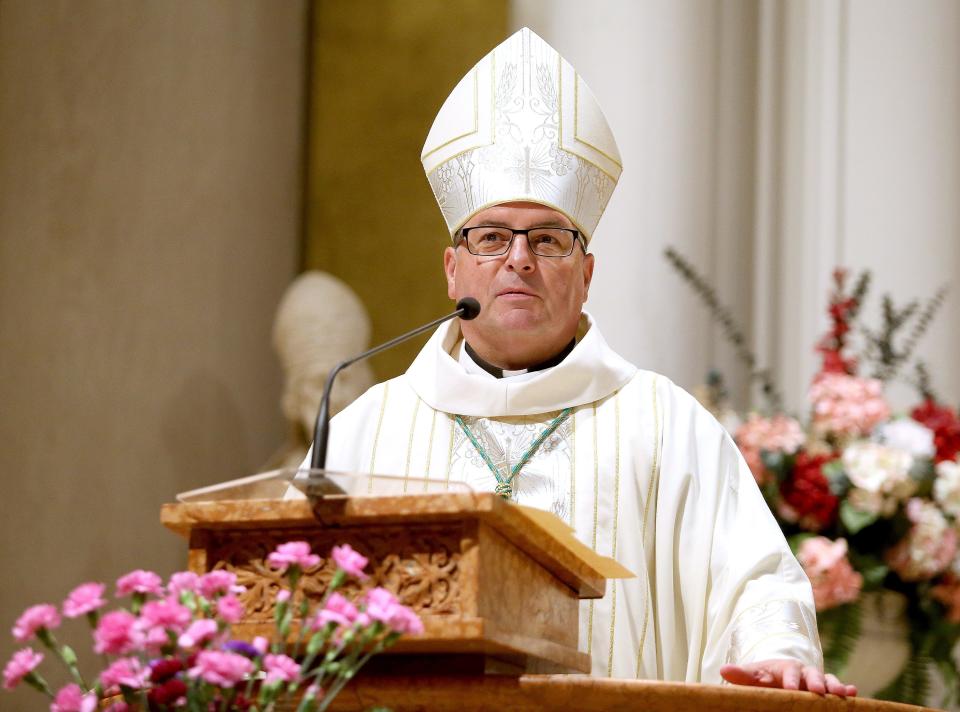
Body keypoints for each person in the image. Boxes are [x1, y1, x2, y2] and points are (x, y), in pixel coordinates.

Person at [301, 27, 855, 697]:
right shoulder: (366, 431)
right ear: (453, 270)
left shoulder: (665, 426)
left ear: (587, 274)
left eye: (550, 239)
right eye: (492, 236)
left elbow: (756, 580)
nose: (520, 259)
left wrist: (776, 652)